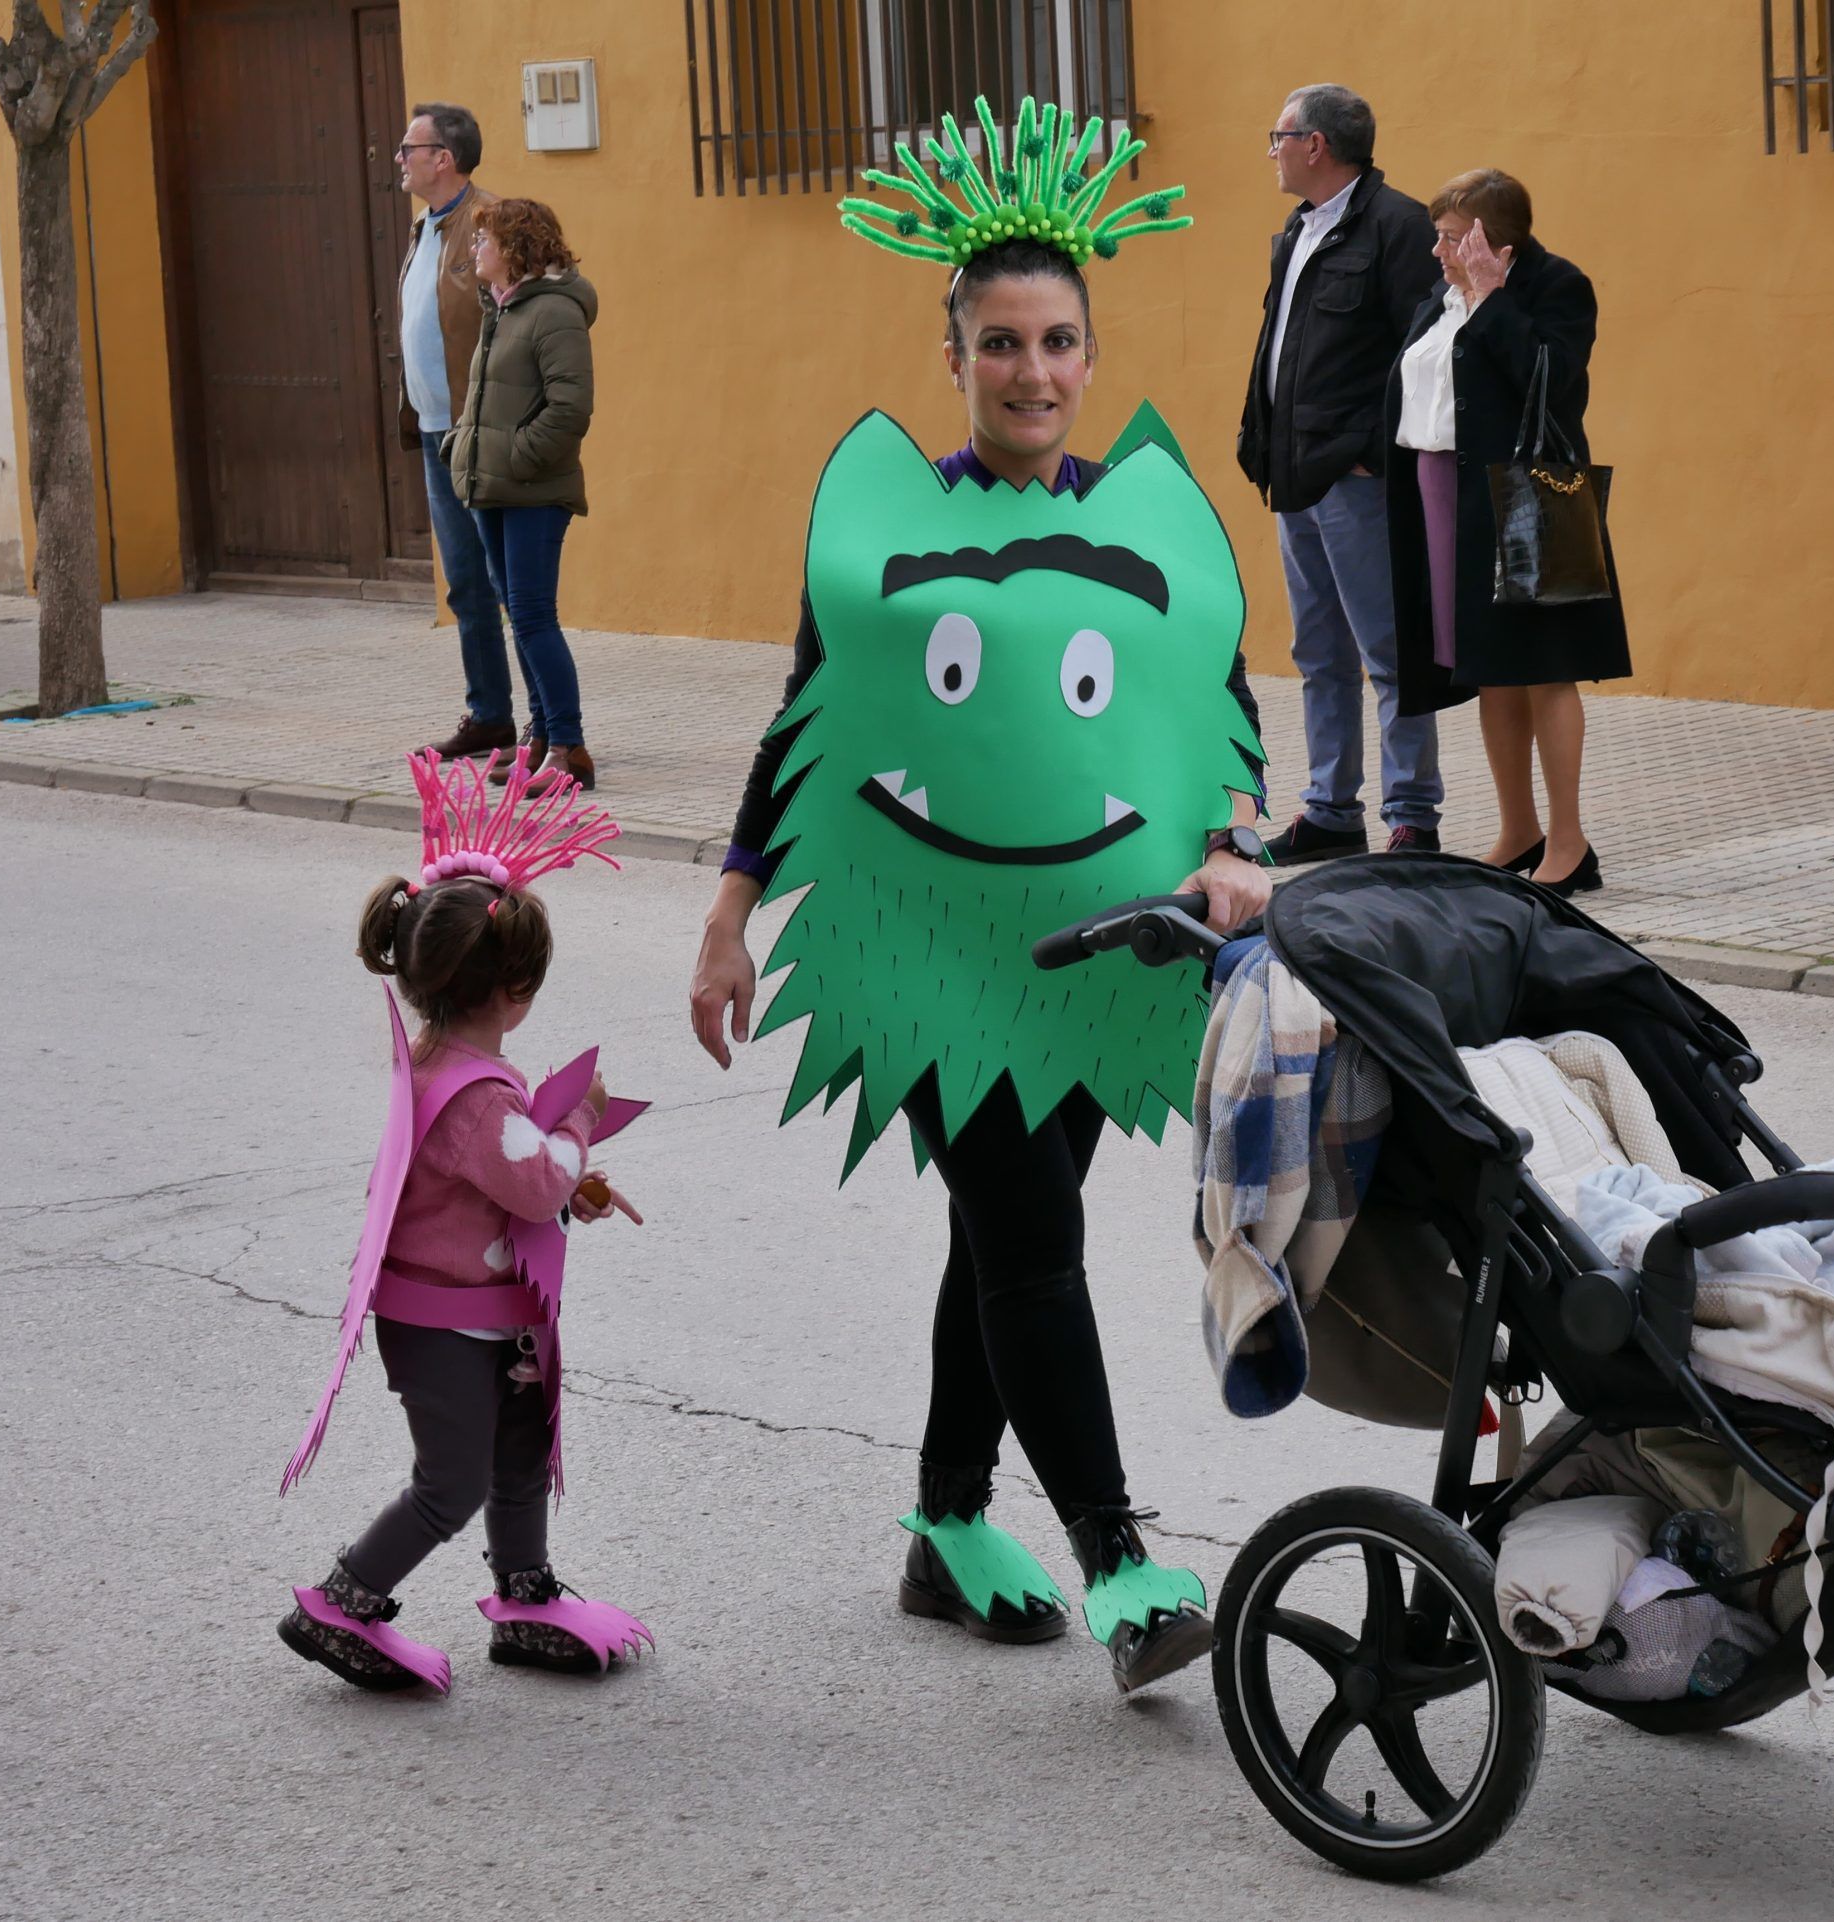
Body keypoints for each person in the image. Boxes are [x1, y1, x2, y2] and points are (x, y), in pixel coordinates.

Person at [688, 97, 1271, 1696]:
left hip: (1105, 952)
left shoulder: (1140, 516)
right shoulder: (893, 534)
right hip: (933, 958)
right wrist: (733, 912)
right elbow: (810, 730)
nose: (1032, 371)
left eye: (1059, 341)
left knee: (1007, 1230)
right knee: (1027, 1232)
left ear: (1092, 353)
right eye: (1001, 343)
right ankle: (1121, 1561)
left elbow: (1215, 704)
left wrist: (1234, 836)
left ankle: (945, 1526)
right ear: (954, 355)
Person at [277, 751, 648, 1694]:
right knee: (455, 1482)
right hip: (445, 1321)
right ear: (514, 992)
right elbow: (530, 1178)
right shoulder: (481, 1099)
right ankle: (344, 1600)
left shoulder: (456, 1070)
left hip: (487, 1309)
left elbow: (520, 1186)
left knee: (520, 1452)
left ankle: (525, 1593)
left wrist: (573, 1180)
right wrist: (580, 1119)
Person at [1385, 169, 1629, 897]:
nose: (1438, 251)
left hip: (1524, 498)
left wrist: (1492, 299)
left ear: (1498, 239)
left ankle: (1569, 841)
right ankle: (1517, 829)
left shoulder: (1554, 286)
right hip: (1445, 492)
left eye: (1453, 237)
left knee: (1546, 665)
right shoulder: (1441, 296)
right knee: (1491, 667)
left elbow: (1551, 382)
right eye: (1440, 236)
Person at [1238, 84, 1443, 863]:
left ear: (1314, 144)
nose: (1272, 151)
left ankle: (1413, 816)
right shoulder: (1299, 228)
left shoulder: (1398, 226)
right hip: (1296, 476)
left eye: (1278, 136)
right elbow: (1281, 347)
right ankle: (1329, 809)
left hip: (1355, 482)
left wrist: (1372, 452)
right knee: (1319, 655)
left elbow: (1421, 349)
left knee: (1388, 654)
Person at [449, 199, 599, 793]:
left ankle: (570, 748)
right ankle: (540, 739)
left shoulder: (555, 313)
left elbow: (570, 408)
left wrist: (513, 457)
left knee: (535, 617)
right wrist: (463, 448)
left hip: (533, 490)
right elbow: (485, 398)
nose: (474, 251)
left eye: (484, 240)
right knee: (520, 617)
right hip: (493, 487)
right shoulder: (502, 308)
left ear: (515, 249)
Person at [395, 104, 515, 768]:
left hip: (479, 433)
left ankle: (554, 730)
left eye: (408, 148)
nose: (401, 159)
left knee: (507, 581)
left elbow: (517, 315)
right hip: (436, 432)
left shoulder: (489, 222)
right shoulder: (426, 228)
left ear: (444, 157)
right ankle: (490, 718)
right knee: (467, 584)